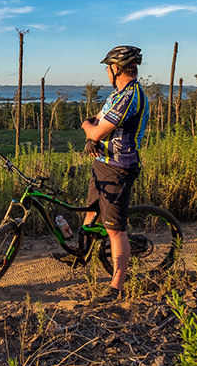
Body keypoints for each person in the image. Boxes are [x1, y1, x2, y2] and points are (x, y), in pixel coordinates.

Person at [57, 45, 149, 304]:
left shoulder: (130, 96)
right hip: (102, 163)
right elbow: (95, 121)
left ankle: (116, 288)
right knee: (90, 211)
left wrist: (89, 131)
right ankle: (81, 253)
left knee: (115, 230)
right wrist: (91, 130)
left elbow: (94, 129)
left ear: (117, 68)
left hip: (119, 168)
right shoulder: (116, 95)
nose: (107, 72)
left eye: (108, 67)